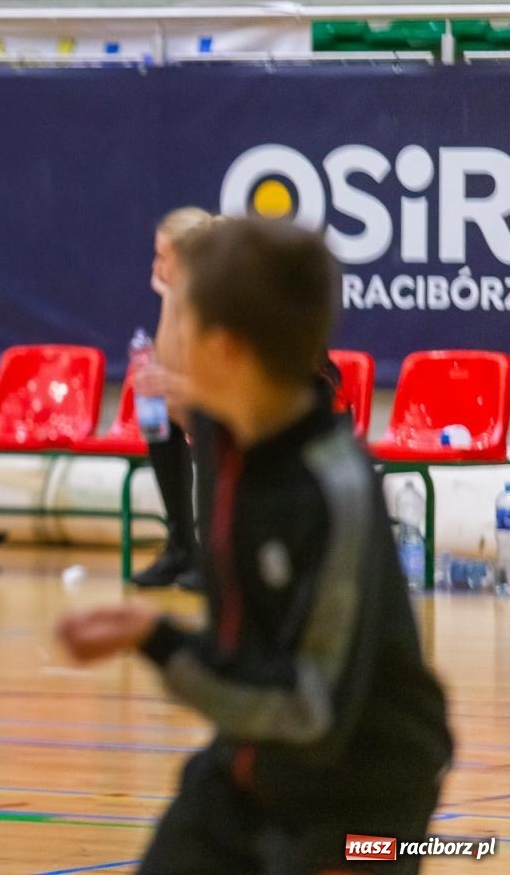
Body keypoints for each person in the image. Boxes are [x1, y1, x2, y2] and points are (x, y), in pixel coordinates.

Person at [57, 216, 452, 875]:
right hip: (247, 766)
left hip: (362, 798)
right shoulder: (225, 430)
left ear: (226, 351)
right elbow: (172, 387)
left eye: (186, 319)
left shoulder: (332, 493)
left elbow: (307, 710)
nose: (166, 346)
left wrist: (156, 639)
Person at [129, 206, 211, 591]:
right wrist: (168, 298)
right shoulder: (185, 294)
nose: (155, 265)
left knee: (207, 420)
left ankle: (218, 554)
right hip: (214, 403)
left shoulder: (221, 295)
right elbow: (169, 364)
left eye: (163, 256)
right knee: (157, 418)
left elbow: (211, 382)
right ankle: (182, 544)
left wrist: (175, 390)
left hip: (256, 413)